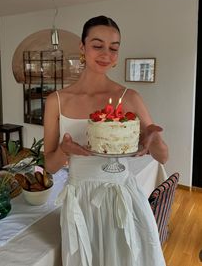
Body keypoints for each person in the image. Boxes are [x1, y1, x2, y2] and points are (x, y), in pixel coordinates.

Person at [43, 15, 168, 266]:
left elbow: (163, 156)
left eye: (114, 48)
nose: (106, 54)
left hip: (122, 199)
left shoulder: (129, 97)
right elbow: (50, 166)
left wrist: (152, 139)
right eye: (97, 45)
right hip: (80, 202)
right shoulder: (56, 100)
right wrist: (65, 150)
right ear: (82, 48)